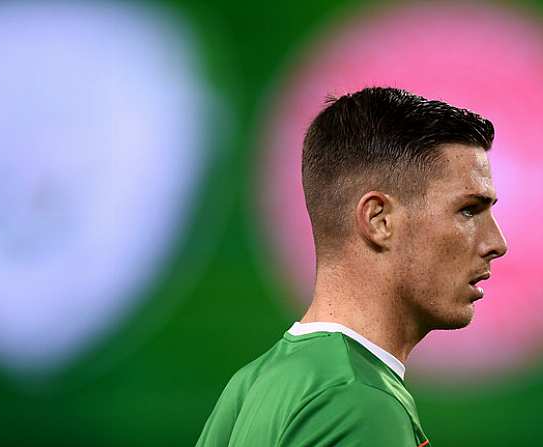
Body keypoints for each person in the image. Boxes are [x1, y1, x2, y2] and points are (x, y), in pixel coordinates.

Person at [196, 87, 508, 446]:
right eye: (469, 209)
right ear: (379, 220)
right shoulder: (358, 402)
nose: (496, 243)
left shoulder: (254, 384)